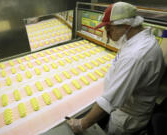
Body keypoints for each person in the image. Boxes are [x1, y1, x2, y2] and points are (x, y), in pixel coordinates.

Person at [66, 2, 165, 135]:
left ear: (126, 25)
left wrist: (81, 124)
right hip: (130, 108)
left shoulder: (136, 55)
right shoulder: (142, 39)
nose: (108, 35)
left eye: (109, 29)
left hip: (126, 119)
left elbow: (110, 101)